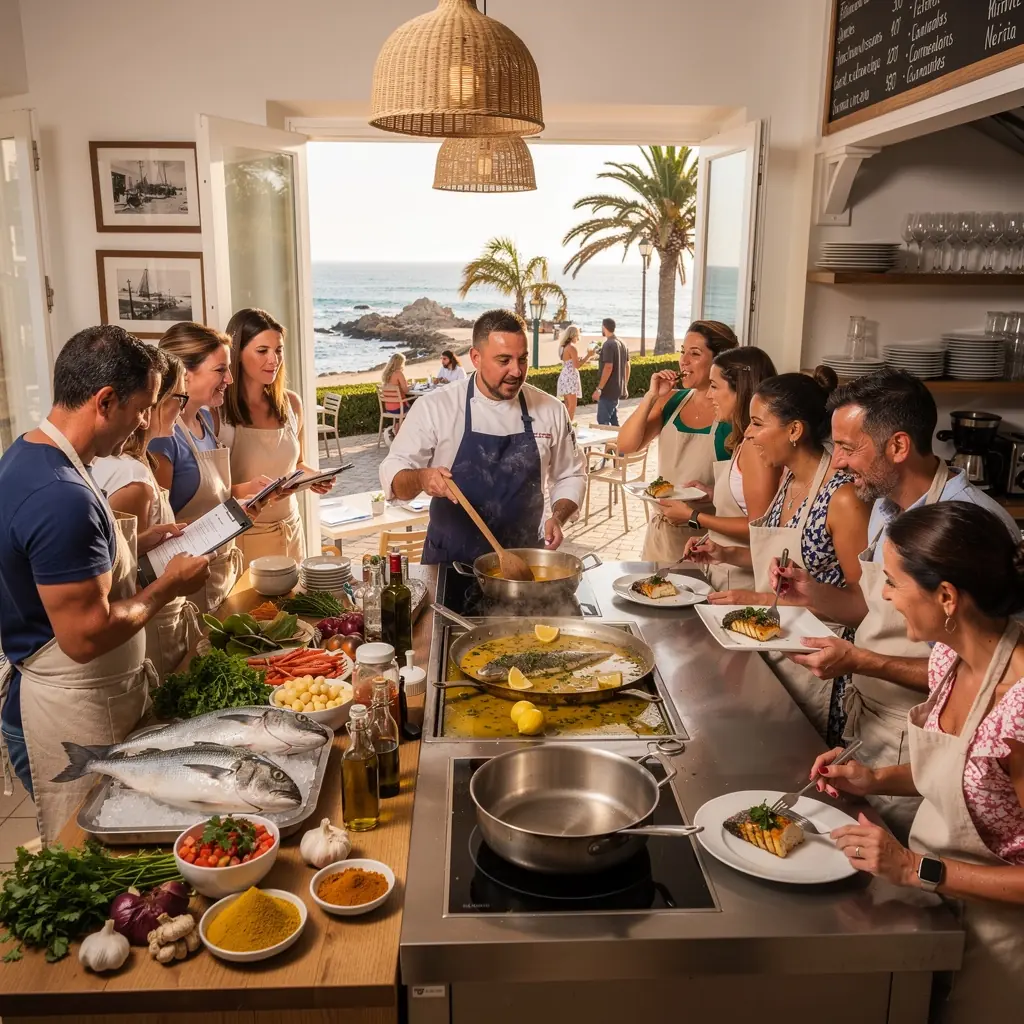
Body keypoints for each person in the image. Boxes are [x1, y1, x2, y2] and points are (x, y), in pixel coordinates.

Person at [771, 368, 1019, 836]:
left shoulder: (967, 525)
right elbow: (869, 608)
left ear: (899, 446)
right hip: (868, 718)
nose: (837, 463)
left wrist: (862, 661)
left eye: (848, 448)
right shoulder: (884, 506)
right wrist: (812, 594)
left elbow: (993, 670)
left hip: (919, 732)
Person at [811, 503, 1024, 1022]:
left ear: (946, 596)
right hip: (930, 905)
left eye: (892, 582)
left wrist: (913, 867)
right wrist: (873, 779)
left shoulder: (1019, 707)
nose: (884, 596)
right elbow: (967, 775)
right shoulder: (949, 658)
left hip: (998, 943)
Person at [0, 326, 210, 841]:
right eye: (142, 408)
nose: (144, 422)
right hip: (75, 711)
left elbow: (58, 567)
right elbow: (85, 636)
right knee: (95, 849)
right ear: (106, 401)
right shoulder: (61, 497)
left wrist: (134, 545)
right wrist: (168, 587)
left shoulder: (28, 455)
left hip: (82, 698)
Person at [690, 369, 871, 745]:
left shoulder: (843, 498)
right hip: (778, 648)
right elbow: (784, 565)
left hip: (820, 664)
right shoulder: (789, 479)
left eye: (758, 423)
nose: (748, 434)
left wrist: (756, 600)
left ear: (794, 430)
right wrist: (724, 553)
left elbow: (862, 606)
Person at [380, 308, 588, 564]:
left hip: (524, 566)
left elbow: (571, 474)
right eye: (504, 360)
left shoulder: (551, 410)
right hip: (450, 564)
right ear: (476, 358)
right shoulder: (435, 407)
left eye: (522, 359)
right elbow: (394, 476)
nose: (516, 371)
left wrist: (558, 517)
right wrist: (422, 478)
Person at [92, 349, 202, 681]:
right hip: (150, 628)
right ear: (154, 403)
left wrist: (148, 540)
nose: (182, 409)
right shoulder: (133, 479)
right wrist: (176, 576)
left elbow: (116, 550)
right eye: (180, 398)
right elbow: (120, 578)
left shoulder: (132, 464)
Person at [151, 323, 271, 614]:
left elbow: (207, 496)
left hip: (222, 575)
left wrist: (247, 493)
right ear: (184, 373)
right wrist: (230, 518)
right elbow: (158, 534)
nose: (230, 379)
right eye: (220, 370)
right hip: (189, 595)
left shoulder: (205, 420)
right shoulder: (162, 438)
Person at [217, 308, 334, 568]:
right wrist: (250, 489)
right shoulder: (218, 411)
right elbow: (211, 492)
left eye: (278, 350)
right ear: (236, 353)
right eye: (262, 351)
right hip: (243, 537)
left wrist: (314, 477)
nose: (274, 359)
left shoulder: (292, 404)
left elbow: (297, 464)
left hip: (291, 530)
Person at [660, 347, 780, 591]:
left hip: (741, 582)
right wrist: (713, 494)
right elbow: (749, 500)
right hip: (726, 572)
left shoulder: (754, 448)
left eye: (714, 386)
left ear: (740, 390)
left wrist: (693, 516)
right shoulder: (744, 441)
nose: (709, 395)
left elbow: (758, 529)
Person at [617, 320, 738, 563]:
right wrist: (651, 396)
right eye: (683, 351)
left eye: (695, 354)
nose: (683, 360)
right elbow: (625, 446)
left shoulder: (732, 416)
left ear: (720, 361)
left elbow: (742, 497)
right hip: (660, 538)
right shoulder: (671, 401)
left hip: (707, 544)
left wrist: (711, 497)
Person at [591, 318, 629, 426]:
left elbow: (608, 367)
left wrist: (599, 389)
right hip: (617, 389)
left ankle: (612, 438)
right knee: (613, 421)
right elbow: (627, 366)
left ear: (604, 327)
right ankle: (619, 437)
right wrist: (624, 385)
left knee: (603, 422)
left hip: (608, 390)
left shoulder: (608, 344)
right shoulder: (622, 343)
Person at [555, 325, 593, 422]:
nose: (578, 337)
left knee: (567, 405)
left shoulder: (563, 347)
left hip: (564, 375)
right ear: (574, 335)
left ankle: (564, 425)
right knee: (572, 406)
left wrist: (581, 359)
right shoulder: (572, 347)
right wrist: (588, 355)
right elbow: (577, 365)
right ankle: (569, 427)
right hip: (570, 377)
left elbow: (570, 362)